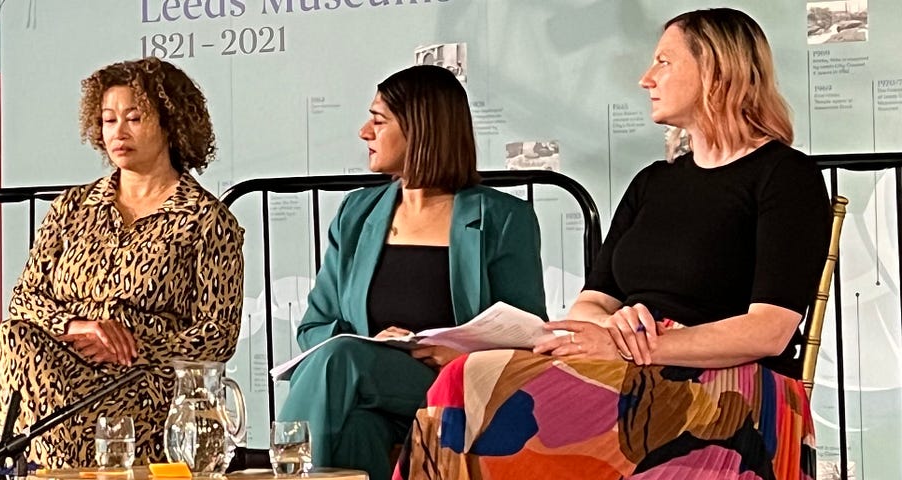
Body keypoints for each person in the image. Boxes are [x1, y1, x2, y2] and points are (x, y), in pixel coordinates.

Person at [399, 9, 828, 479]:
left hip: (735, 387)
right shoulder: (652, 183)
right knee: (467, 382)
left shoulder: (785, 176)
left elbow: (769, 331)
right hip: (632, 373)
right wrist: (611, 327)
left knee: (472, 383)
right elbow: (589, 304)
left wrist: (640, 347)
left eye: (664, 61)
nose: (646, 79)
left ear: (715, 70)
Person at [277, 65, 546, 480]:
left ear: (421, 129)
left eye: (379, 120)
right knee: (354, 427)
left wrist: (465, 357)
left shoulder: (502, 219)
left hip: (455, 384)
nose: (364, 131)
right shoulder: (356, 213)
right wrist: (370, 345)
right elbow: (315, 326)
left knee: (339, 359)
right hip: (367, 394)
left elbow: (528, 338)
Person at [0, 57, 245, 468]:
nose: (117, 132)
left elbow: (219, 334)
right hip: (62, 371)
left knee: (41, 394)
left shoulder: (206, 220)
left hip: (147, 383)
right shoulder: (72, 207)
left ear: (170, 124)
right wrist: (80, 327)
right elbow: (25, 297)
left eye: (134, 118)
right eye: (108, 120)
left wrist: (133, 347)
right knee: (14, 336)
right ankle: (33, 471)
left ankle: (36, 472)